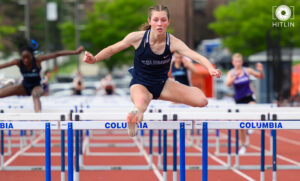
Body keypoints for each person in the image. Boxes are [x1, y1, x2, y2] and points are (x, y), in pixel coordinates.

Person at [83, 5, 221, 137]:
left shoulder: (173, 42)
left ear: (168, 22)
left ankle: (190, 92)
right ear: (150, 21)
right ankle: (133, 119)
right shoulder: (137, 38)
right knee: (140, 106)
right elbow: (112, 49)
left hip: (162, 84)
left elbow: (194, 55)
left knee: (202, 101)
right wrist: (95, 59)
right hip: (140, 84)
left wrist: (210, 68)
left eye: (163, 20)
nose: (159, 23)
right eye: (156, 20)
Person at [0, 44, 84, 112]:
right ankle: (9, 84)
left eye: (27, 57)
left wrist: (75, 52)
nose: (25, 60)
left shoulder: (37, 61)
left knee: (35, 95)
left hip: (37, 86)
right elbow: (3, 65)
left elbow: (56, 54)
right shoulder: (18, 62)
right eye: (23, 58)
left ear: (32, 56)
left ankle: (38, 117)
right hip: (23, 87)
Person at [226, 53, 264, 154]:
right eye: (236, 61)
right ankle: (243, 145)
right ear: (233, 62)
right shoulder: (231, 72)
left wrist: (260, 70)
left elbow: (260, 76)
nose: (238, 63)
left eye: (239, 61)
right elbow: (228, 84)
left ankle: (252, 125)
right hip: (239, 100)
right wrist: (235, 77)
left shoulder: (247, 70)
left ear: (242, 62)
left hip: (249, 96)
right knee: (241, 126)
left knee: (253, 108)